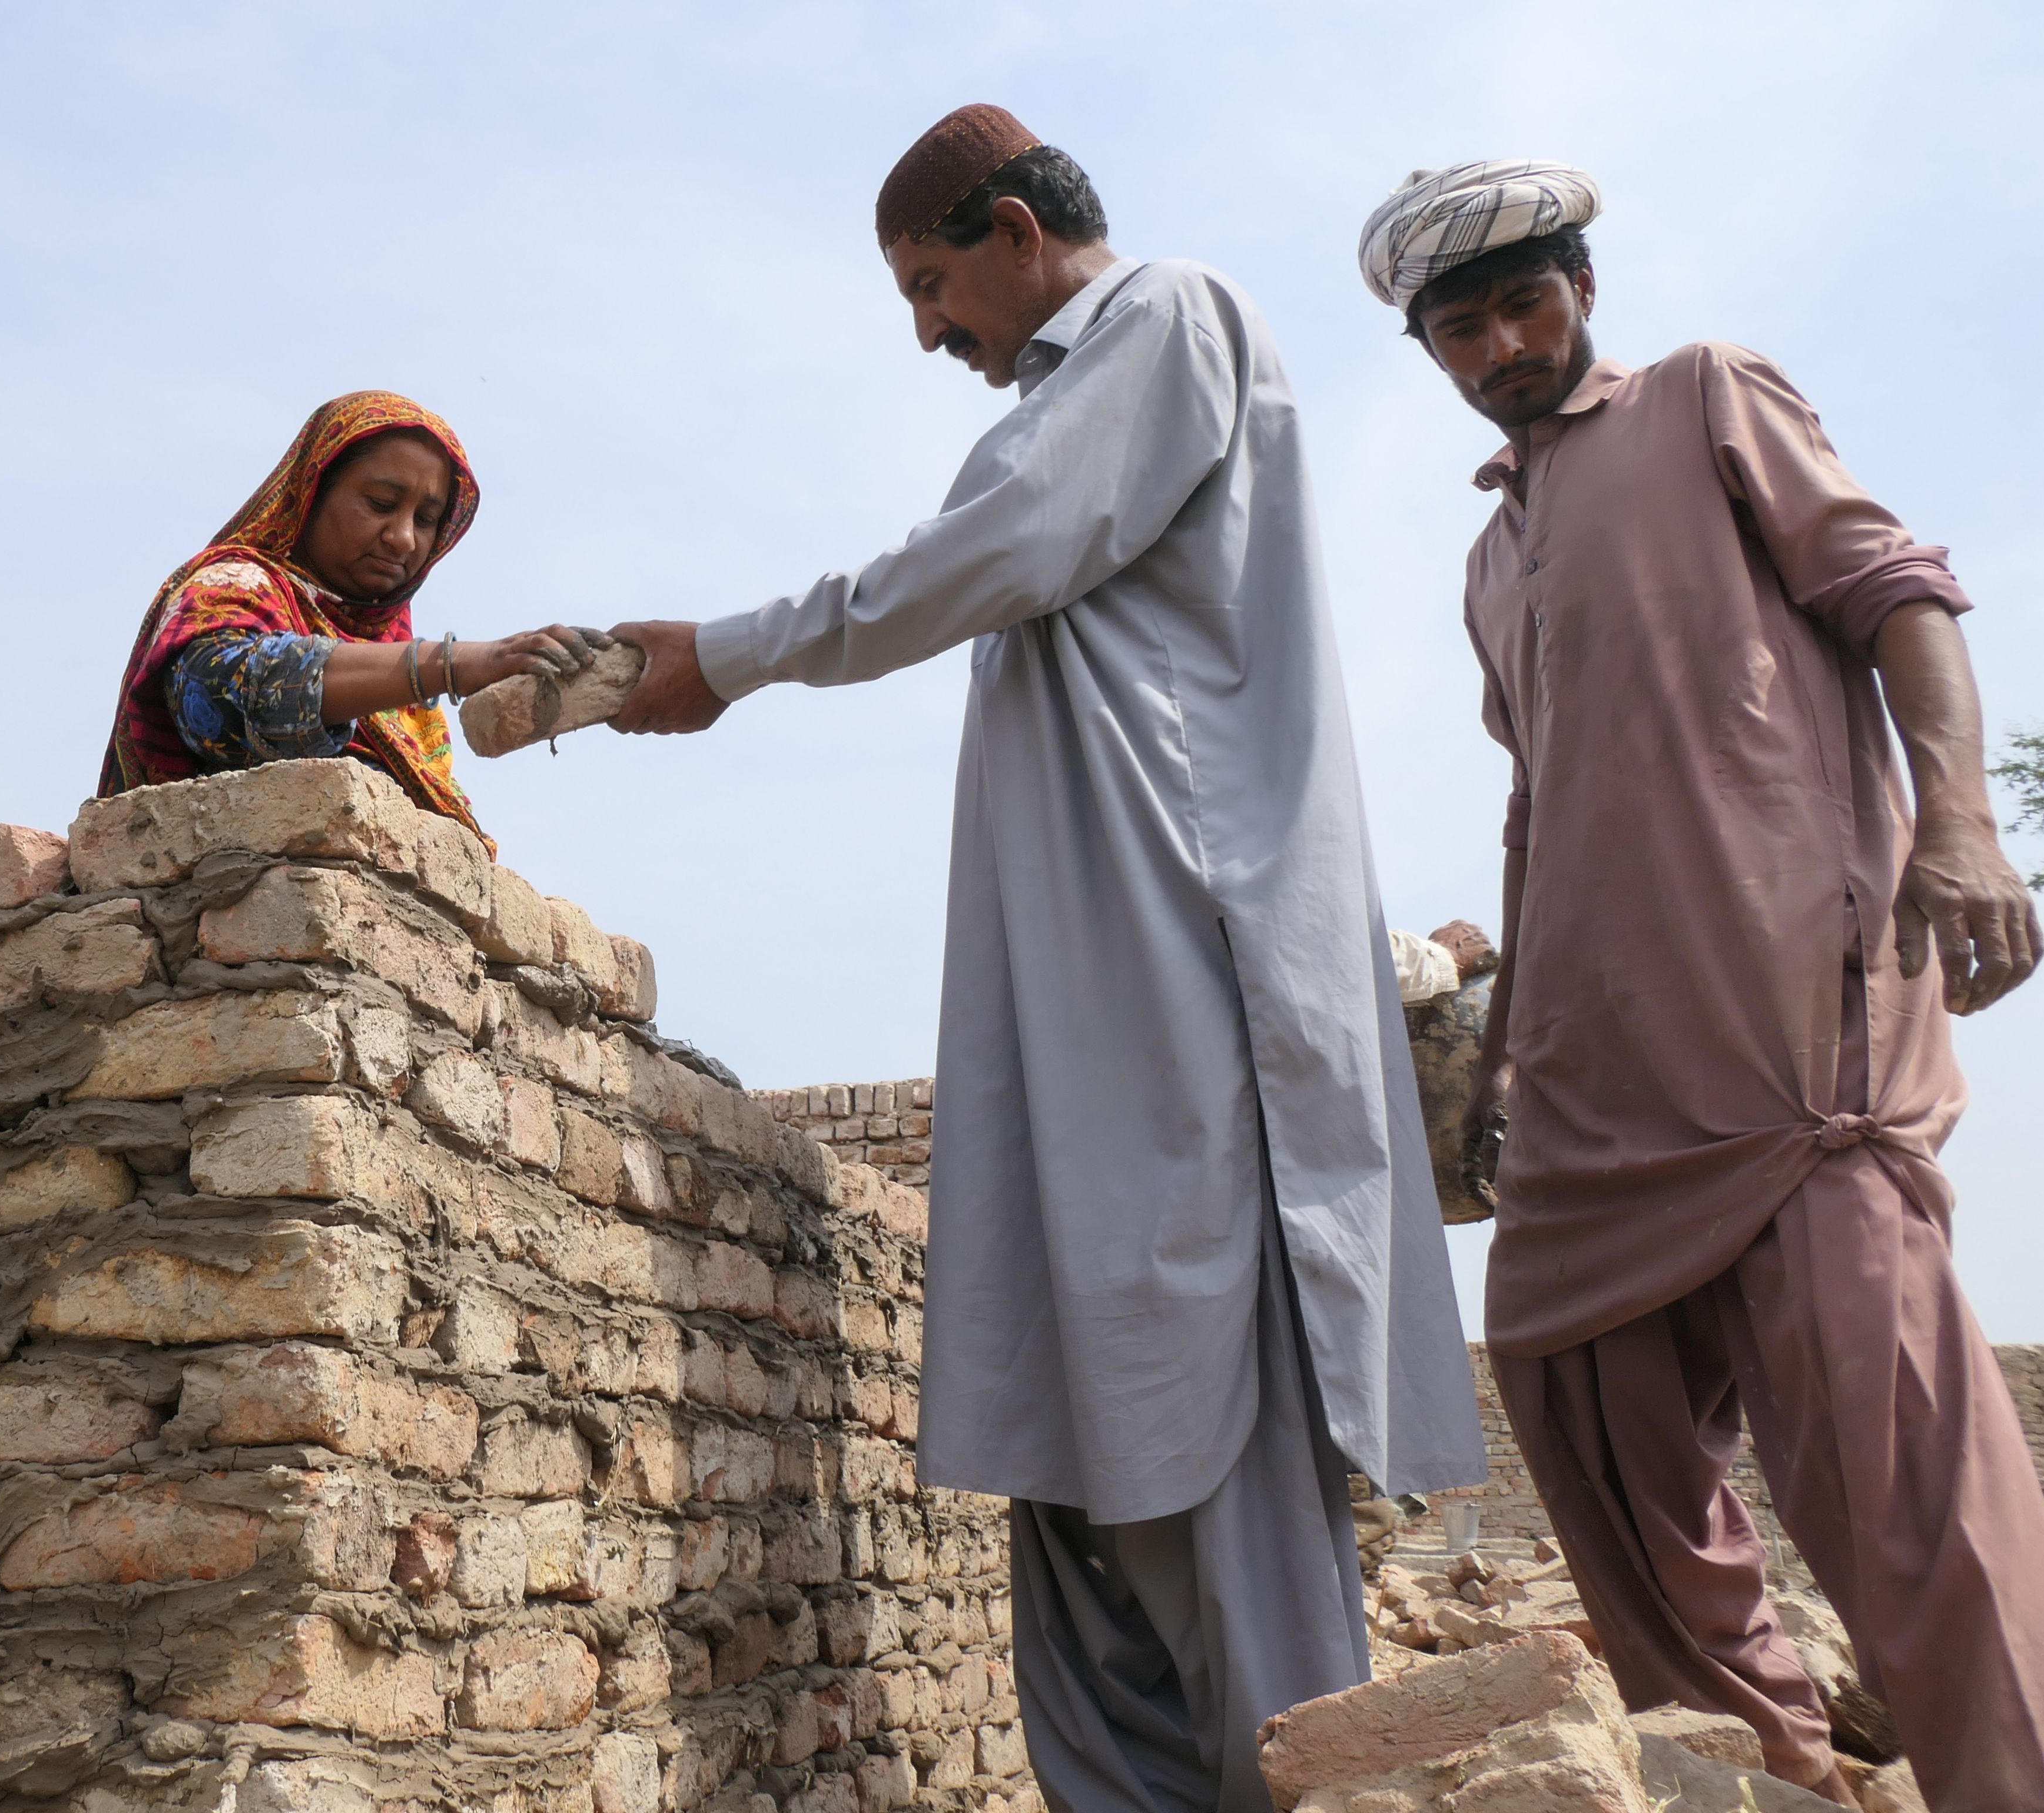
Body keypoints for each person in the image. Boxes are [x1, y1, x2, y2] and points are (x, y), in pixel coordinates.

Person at [609, 105, 1486, 1813]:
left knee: (1205, 1408)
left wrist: (727, 653)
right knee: (1084, 1444)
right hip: (1091, 985)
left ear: (1015, 232)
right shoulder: (1067, 402)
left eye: (931, 288)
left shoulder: (1167, 316)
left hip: (1185, 966)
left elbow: (990, 551)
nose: (928, 333)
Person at [1361, 160, 2044, 1809]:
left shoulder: (1707, 397)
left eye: (1525, 304)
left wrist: (1961, 823)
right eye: (1461, 328)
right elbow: (1537, 808)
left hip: (1789, 1021)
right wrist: (1503, 1050)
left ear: (1582, 287)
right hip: (1595, 1052)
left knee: (1898, 1477)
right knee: (1572, 1390)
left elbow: (1898, 592)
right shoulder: (1488, 561)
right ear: (1428, 349)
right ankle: (1761, 1773)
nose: (1502, 345)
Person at [98, 389, 611, 845]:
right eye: (381, 503)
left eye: (426, 520)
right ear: (312, 492)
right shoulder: (235, 586)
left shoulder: (411, 704)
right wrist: (454, 664)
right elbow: (216, 701)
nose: (403, 538)